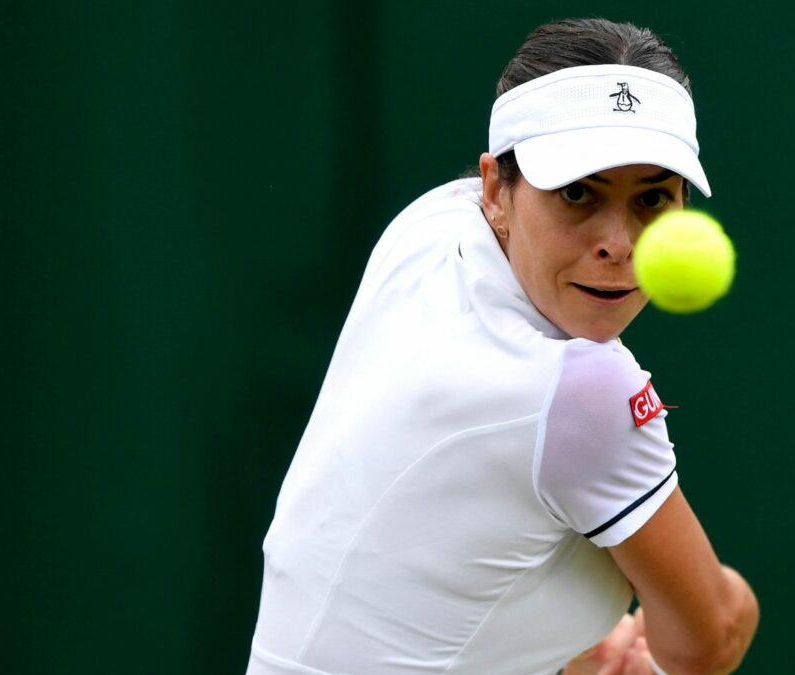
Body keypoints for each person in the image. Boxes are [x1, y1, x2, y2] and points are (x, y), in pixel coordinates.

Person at [246, 18, 759, 675]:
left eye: (653, 197)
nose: (619, 243)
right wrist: (722, 605)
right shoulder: (585, 391)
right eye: (578, 192)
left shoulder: (429, 229)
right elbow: (706, 639)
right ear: (496, 189)